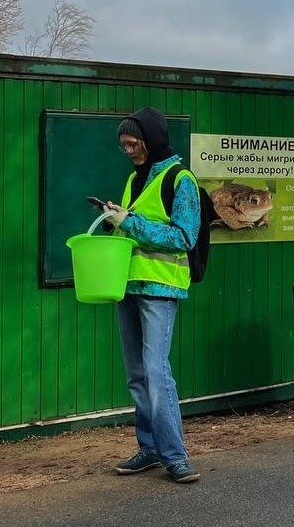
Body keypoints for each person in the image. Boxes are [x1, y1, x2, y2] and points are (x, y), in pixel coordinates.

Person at [103, 107, 202, 483]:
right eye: (124, 145)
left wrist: (130, 222)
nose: (128, 150)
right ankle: (149, 448)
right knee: (137, 375)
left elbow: (183, 236)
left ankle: (175, 456)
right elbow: (132, 230)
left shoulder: (181, 179)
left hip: (160, 287)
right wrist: (116, 221)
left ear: (152, 139)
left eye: (133, 143)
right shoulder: (134, 179)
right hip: (127, 285)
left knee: (156, 373)